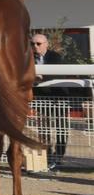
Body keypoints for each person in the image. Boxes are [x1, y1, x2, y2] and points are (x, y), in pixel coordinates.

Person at [31, 33, 67, 172]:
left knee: (61, 127)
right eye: (32, 44)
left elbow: (57, 73)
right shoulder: (29, 57)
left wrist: (41, 77)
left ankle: (59, 155)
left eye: (38, 44)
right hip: (41, 98)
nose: (35, 46)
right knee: (43, 128)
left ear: (46, 44)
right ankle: (47, 153)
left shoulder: (55, 56)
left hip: (58, 97)